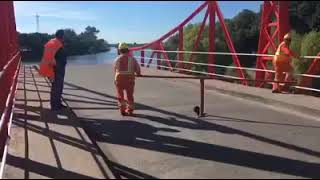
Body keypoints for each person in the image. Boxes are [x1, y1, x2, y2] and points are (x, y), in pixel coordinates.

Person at [39, 29, 67, 111]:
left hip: (57, 68)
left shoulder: (54, 42)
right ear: (62, 36)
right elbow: (51, 57)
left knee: (58, 87)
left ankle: (57, 103)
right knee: (57, 87)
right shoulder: (55, 43)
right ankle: (55, 106)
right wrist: (56, 66)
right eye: (64, 35)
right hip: (56, 69)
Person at [114, 42, 141, 116]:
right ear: (128, 50)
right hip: (129, 80)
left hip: (119, 79)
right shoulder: (132, 59)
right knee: (130, 96)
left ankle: (122, 110)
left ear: (119, 50)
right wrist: (138, 74)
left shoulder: (117, 59)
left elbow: (115, 69)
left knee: (120, 96)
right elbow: (137, 69)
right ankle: (130, 110)